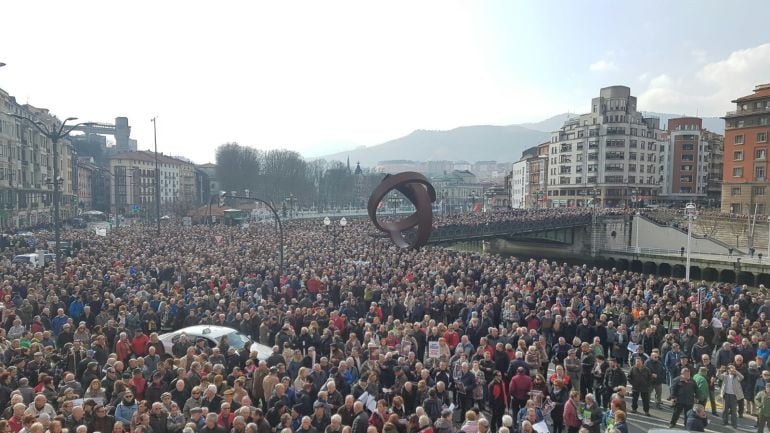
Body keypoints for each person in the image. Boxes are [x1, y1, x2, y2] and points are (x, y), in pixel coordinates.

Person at [719, 364, 743, 429]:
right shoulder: (725, 375)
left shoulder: (736, 376)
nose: (730, 370)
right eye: (729, 368)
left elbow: (742, 377)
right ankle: (725, 421)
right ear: (728, 370)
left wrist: (735, 371)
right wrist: (720, 370)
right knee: (725, 410)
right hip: (726, 395)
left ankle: (734, 424)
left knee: (733, 411)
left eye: (732, 368)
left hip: (734, 396)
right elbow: (719, 376)